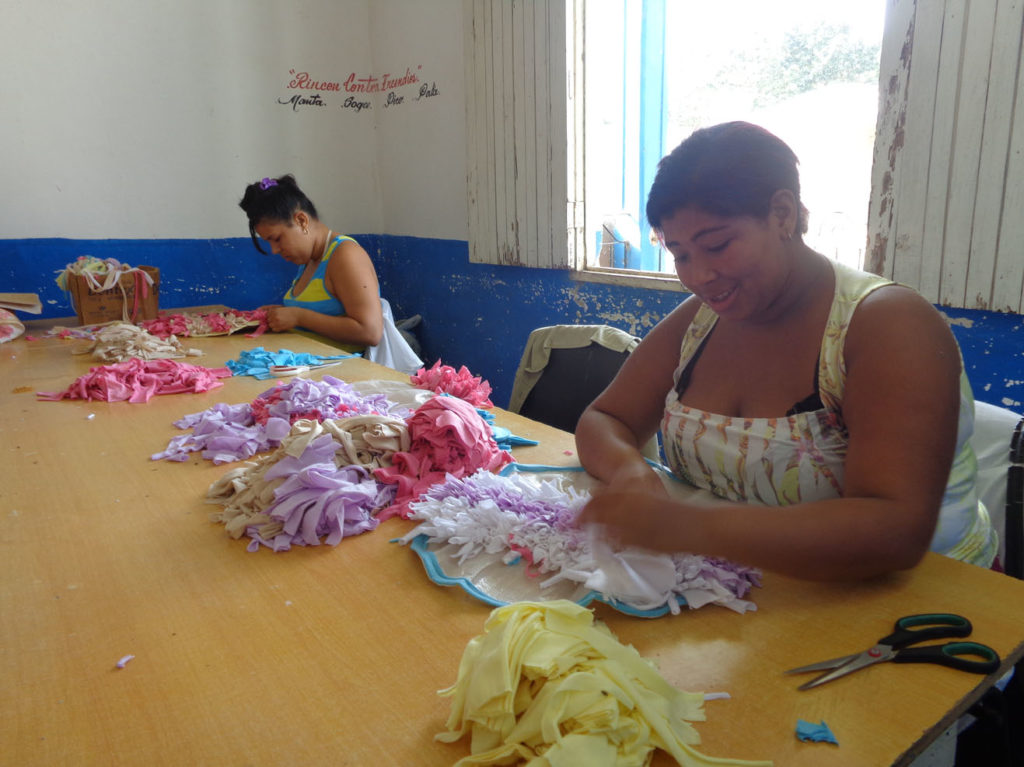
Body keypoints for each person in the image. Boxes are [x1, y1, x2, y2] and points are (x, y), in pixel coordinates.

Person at [575, 121, 997, 581]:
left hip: (920, 605)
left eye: (716, 245)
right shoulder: (702, 319)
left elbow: (894, 530)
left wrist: (687, 526)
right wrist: (632, 476)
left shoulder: (886, 325)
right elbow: (605, 419)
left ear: (782, 214)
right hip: (758, 592)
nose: (698, 276)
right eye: (680, 255)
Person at [239, 174, 383, 352]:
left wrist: (299, 317)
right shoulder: (310, 260)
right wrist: (285, 313)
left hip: (342, 377)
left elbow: (370, 331)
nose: (274, 250)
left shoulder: (345, 256)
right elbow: (324, 312)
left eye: (276, 239)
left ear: (301, 220)